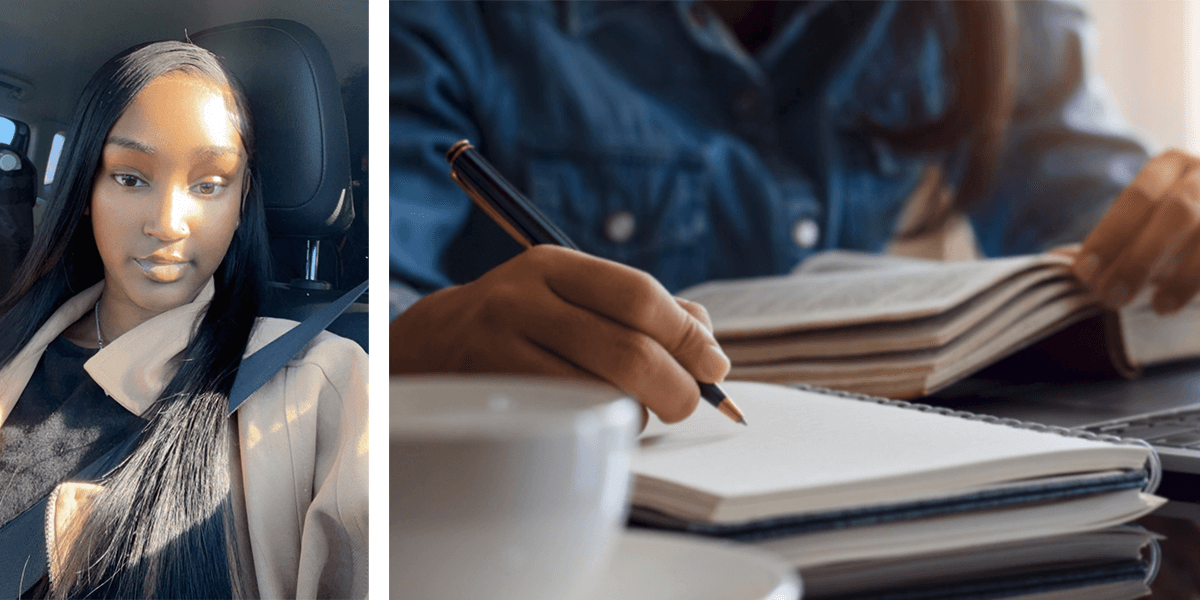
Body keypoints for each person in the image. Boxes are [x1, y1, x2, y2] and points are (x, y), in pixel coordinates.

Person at [389, 0, 1200, 422]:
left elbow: (1106, 229)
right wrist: (422, 346)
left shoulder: (986, 19)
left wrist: (1177, 226)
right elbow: (381, 291)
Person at [0, 41, 367, 598]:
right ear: (84, 191)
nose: (168, 223)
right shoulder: (13, 336)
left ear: (243, 200)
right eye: (130, 177)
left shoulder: (316, 382)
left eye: (209, 184)